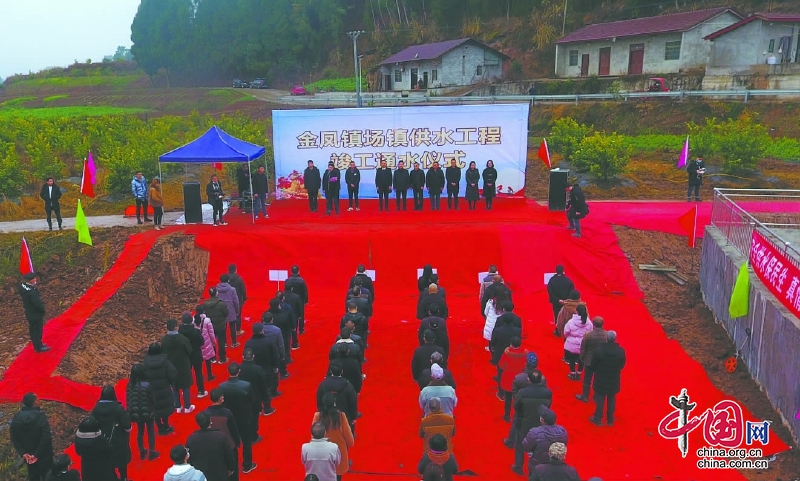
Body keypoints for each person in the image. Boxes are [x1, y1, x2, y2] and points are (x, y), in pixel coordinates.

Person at [509, 370, 552, 476]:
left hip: (523, 422)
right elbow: (548, 406)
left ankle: (518, 466)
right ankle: (534, 468)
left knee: (519, 444)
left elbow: (516, 406)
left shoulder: (522, 393)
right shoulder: (547, 392)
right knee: (536, 446)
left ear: (528, 380)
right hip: (539, 423)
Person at [218, 363, 258, 474]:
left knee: (231, 442)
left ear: (228, 371)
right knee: (246, 441)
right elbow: (252, 400)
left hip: (229, 418)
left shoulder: (221, 386)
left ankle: (232, 465)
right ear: (238, 371)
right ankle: (247, 465)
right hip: (244, 418)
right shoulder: (246, 385)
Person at [91, 385, 132, 481]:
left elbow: (93, 423)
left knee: (109, 461)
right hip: (119, 440)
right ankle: (124, 478)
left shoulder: (96, 409)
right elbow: (127, 426)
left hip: (103, 439)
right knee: (122, 462)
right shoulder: (118, 408)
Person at [10, 392, 53, 481]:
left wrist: (23, 453)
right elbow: (46, 437)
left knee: (33, 476)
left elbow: (14, 437)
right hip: (43, 455)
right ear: (35, 402)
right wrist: (37, 454)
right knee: (47, 476)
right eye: (37, 399)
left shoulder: (16, 417)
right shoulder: (40, 417)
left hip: (28, 456)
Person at [312, 393, 354, 480]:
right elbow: (348, 436)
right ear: (334, 403)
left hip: (323, 453)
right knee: (338, 476)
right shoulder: (341, 416)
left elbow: (313, 436)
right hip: (339, 453)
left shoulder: (318, 416)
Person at [186, 411, 236, 481]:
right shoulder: (220, 436)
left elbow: (189, 458)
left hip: (201, 474)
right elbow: (229, 454)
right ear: (210, 421)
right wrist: (231, 468)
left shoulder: (191, 439)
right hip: (220, 473)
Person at [590, 331, 626, 427]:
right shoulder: (620, 351)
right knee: (611, 398)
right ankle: (610, 419)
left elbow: (593, 365)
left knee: (600, 398)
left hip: (600, 377)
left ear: (606, 338)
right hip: (614, 378)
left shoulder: (599, 351)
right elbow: (622, 365)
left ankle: (598, 418)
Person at [202, 390, 240, 479]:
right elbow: (233, 429)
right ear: (220, 399)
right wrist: (237, 442)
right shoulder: (227, 413)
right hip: (229, 444)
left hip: (212, 445)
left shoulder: (205, 413)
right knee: (233, 468)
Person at [126, 364, 159, 461]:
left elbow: (128, 399)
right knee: (150, 431)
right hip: (148, 411)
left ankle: (142, 450)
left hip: (135, 412)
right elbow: (153, 399)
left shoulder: (129, 385)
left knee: (140, 431)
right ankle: (152, 451)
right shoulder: (147, 385)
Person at [522, 406, 568, 474]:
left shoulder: (534, 432)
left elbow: (525, 446)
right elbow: (563, 446)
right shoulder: (562, 431)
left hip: (537, 465)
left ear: (542, 420)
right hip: (554, 466)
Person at [143, 342, 177, 435]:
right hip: (164, 388)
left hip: (151, 390)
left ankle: (159, 427)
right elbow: (173, 373)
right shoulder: (165, 361)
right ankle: (166, 426)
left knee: (155, 409)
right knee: (164, 408)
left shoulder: (146, 362)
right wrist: (169, 382)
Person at [162, 319, 195, 413]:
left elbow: (163, 353)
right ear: (175, 327)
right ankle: (187, 406)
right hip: (183, 365)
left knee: (174, 386)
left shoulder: (164, 340)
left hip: (171, 366)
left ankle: (178, 406)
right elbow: (189, 350)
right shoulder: (182, 339)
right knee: (186, 385)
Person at [316, 361, 359, 433]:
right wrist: (353, 417)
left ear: (330, 371)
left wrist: (321, 413)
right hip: (345, 416)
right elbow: (352, 403)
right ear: (342, 371)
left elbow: (319, 401)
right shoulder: (348, 386)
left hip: (327, 416)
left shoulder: (323, 385)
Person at [245, 320, 282, 399]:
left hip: (254, 368)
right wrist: (276, 366)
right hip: (268, 368)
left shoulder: (248, 343)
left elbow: (245, 356)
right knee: (267, 387)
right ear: (262, 330)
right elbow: (275, 355)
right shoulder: (269, 342)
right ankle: (267, 406)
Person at [73, 416, 114, 481]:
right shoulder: (100, 440)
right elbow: (109, 451)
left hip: (86, 466)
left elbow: (78, 452)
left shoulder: (78, 439)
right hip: (102, 466)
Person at [576, 317, 607, 403]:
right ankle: (596, 396)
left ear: (593, 324)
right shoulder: (606, 335)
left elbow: (583, 348)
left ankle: (585, 396)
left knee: (587, 378)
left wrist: (581, 358)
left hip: (589, 360)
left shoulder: (588, 335)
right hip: (600, 361)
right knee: (597, 379)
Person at [18, 272, 50, 352]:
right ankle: (38, 347)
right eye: (34, 278)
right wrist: (42, 310)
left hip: (29, 313)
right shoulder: (32, 292)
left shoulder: (23, 287)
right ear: (31, 280)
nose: (35, 280)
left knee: (33, 329)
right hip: (35, 314)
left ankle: (37, 344)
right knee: (37, 331)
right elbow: (37, 303)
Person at [499, 336, 529, 418]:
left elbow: (501, 365)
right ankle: (518, 415)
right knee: (519, 398)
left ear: (511, 344)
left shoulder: (507, 353)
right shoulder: (525, 353)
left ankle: (507, 415)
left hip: (508, 379)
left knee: (508, 398)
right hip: (521, 379)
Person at [240, 348, 274, 418]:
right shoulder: (258, 369)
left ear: (243, 356)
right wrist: (265, 398)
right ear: (253, 356)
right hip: (256, 395)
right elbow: (262, 384)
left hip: (244, 395)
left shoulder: (239, 368)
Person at [180, 312, 207, 398]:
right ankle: (201, 391)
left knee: (186, 373)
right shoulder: (196, 332)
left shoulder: (179, 332)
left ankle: (186, 390)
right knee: (198, 373)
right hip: (196, 354)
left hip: (185, 355)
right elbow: (202, 342)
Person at [564, 305, 593, 380]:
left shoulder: (571, 322)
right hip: (583, 344)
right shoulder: (589, 322)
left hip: (572, 344)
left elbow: (566, 332)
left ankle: (572, 373)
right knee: (581, 360)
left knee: (572, 360)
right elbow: (590, 332)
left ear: (577, 311)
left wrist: (569, 337)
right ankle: (579, 373)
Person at [203, 287, 230, 363]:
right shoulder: (221, 303)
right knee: (221, 342)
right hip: (221, 325)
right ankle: (222, 358)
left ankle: (213, 357)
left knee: (211, 341)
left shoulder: (205, 303)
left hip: (210, 325)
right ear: (216, 293)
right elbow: (226, 313)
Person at [193, 305, 217, 382]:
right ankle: (209, 374)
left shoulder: (193, 320)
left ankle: (200, 376)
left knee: (199, 360)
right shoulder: (207, 320)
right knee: (207, 359)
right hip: (206, 342)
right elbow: (211, 332)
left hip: (196, 342)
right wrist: (214, 342)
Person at [217, 274, 241, 347]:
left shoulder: (217, 289)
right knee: (232, 326)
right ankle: (234, 343)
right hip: (231, 308)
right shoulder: (232, 289)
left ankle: (224, 343)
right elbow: (236, 301)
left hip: (221, 309)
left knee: (223, 327)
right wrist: (237, 310)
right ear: (228, 280)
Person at [285, 265, 309, 334]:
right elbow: (305, 291)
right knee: (300, 314)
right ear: (298, 271)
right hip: (300, 299)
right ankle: (301, 329)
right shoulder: (301, 280)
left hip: (289, 299)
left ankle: (291, 327)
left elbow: (286, 290)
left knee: (290, 312)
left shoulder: (287, 280)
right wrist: (306, 300)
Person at [227, 264, 247, 337]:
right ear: (235, 270)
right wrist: (244, 298)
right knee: (238, 315)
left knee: (228, 315)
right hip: (238, 299)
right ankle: (238, 331)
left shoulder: (226, 279)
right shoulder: (239, 279)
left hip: (227, 299)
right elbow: (243, 290)